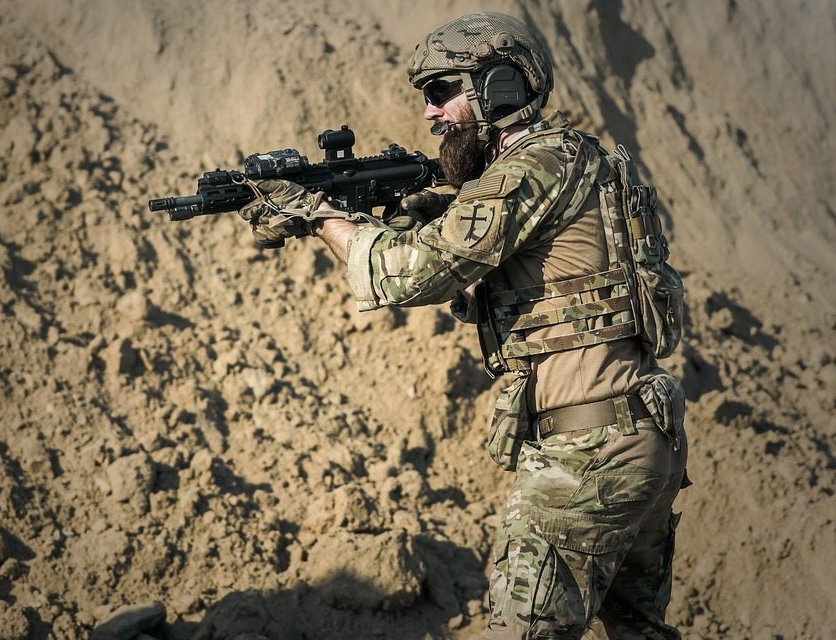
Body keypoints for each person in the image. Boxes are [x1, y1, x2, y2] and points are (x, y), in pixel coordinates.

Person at [238, 11, 689, 640]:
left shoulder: (532, 167)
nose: (430, 112)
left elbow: (407, 275)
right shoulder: (580, 159)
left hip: (587, 455)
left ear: (500, 87)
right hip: (642, 435)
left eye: (442, 91)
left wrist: (317, 214)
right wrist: (413, 210)